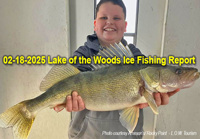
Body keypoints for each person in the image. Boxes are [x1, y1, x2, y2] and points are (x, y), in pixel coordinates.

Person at [54, 0, 180, 138]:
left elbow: (150, 80)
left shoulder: (135, 57)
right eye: (103, 17)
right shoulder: (83, 54)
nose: (109, 22)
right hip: (87, 135)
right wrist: (65, 101)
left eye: (116, 18)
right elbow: (68, 80)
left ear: (125, 26)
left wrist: (156, 98)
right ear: (95, 24)